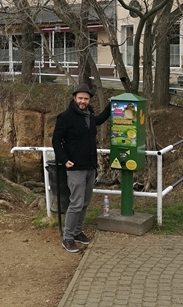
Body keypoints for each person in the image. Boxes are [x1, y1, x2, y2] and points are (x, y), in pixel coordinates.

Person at [52, 83, 110, 253]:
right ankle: (67, 238)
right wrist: (64, 159)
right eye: (80, 98)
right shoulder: (66, 117)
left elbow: (98, 120)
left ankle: (77, 232)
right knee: (76, 203)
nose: (83, 101)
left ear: (89, 99)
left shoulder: (89, 114)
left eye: (86, 98)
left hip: (90, 166)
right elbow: (56, 140)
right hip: (75, 167)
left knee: (85, 202)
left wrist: (110, 107)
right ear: (74, 98)